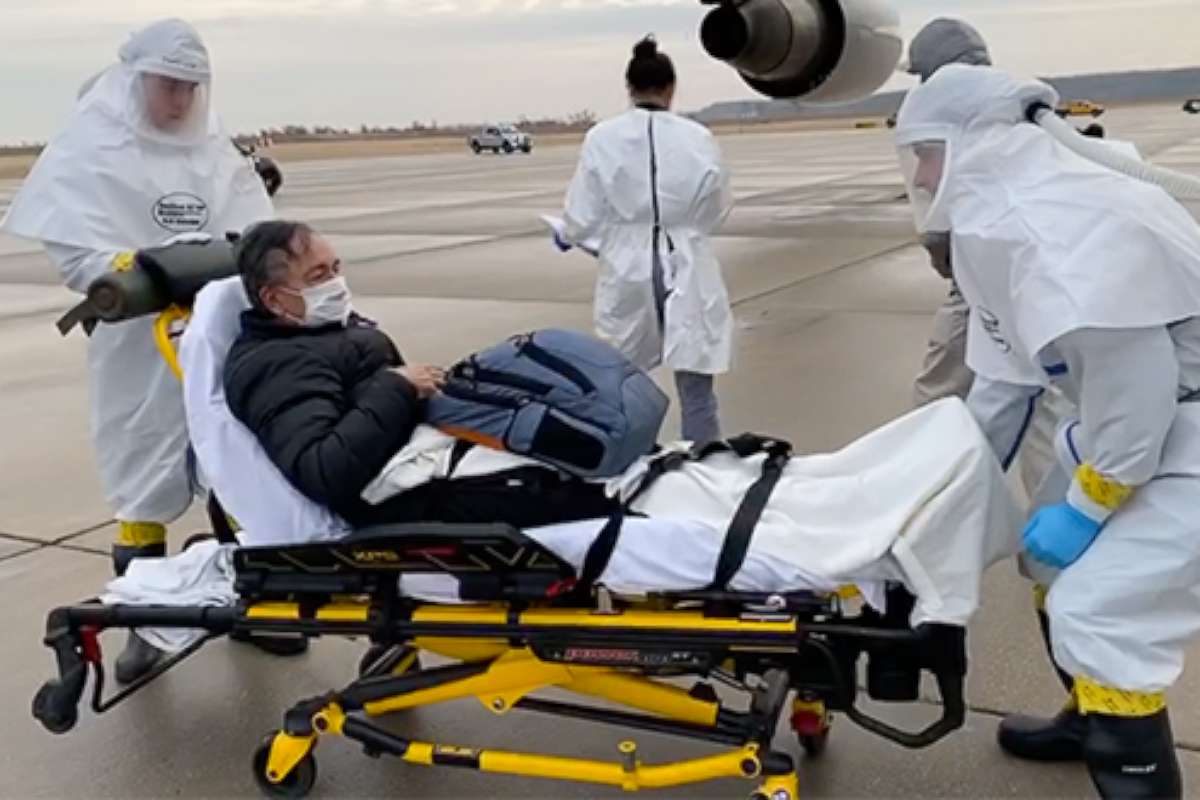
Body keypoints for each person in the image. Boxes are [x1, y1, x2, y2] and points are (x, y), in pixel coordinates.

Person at [895, 64, 1200, 798]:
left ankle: (1128, 750)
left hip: (1177, 427)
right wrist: (940, 484)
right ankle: (1086, 716)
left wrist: (1089, 506)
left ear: (978, 142)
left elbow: (1140, 400)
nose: (922, 172)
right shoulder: (997, 225)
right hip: (1137, 424)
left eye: (927, 150)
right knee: (1053, 570)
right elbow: (1007, 382)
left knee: (1100, 614)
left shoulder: (1065, 230)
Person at [0, 18, 274, 683]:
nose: (179, 101)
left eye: (190, 87)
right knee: (142, 475)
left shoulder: (212, 152)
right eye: (167, 85)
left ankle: (258, 606)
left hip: (212, 332)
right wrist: (129, 269)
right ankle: (146, 620)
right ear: (135, 79)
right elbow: (71, 245)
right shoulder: (91, 149)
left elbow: (253, 223)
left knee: (236, 465)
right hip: (136, 343)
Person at [224, 220, 618, 529]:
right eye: (318, 276)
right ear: (273, 299)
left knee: (585, 449)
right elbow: (324, 471)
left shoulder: (324, 333)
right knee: (593, 495)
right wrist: (397, 386)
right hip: (396, 496)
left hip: (421, 457)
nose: (336, 284)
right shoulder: (273, 365)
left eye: (337, 268)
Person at [559, 36, 733, 444]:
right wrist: (685, 230)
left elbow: (581, 216)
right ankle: (704, 461)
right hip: (686, 260)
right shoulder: (698, 137)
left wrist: (603, 241)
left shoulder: (601, 137)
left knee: (625, 378)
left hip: (628, 265)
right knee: (697, 386)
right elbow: (717, 206)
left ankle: (632, 461)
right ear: (671, 88)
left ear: (629, 88)